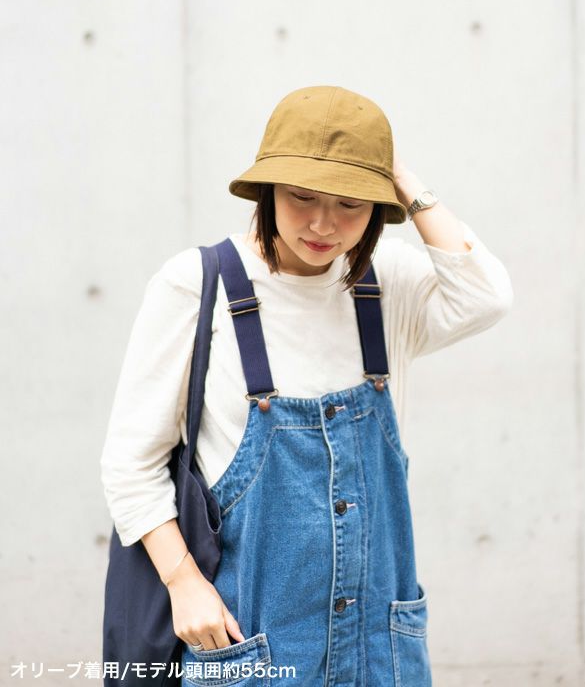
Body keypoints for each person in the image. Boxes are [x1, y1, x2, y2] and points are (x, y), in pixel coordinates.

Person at [100, 85, 514, 686]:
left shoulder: (387, 283)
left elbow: (488, 296)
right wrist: (183, 583)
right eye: (301, 196)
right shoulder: (197, 284)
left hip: (379, 648)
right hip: (248, 641)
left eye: (351, 203)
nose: (323, 224)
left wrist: (398, 174)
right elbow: (130, 463)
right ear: (267, 190)